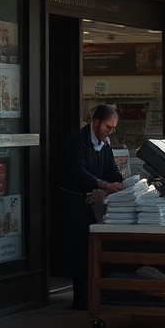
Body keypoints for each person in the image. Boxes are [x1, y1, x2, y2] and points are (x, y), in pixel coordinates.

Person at [61, 104, 125, 310]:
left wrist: (122, 184)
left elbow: (111, 169)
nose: (111, 132)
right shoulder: (77, 142)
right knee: (80, 250)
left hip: (94, 203)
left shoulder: (105, 144)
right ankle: (81, 297)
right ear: (96, 122)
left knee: (95, 248)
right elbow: (79, 173)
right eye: (109, 127)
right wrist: (103, 184)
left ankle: (97, 292)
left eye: (114, 128)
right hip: (74, 202)